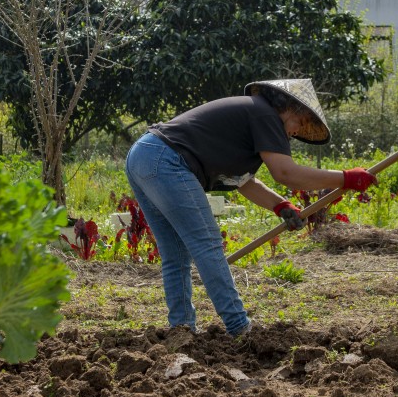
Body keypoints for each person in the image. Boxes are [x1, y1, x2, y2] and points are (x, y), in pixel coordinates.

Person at [124, 78, 377, 336]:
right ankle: (239, 328)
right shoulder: (265, 114)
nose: (294, 133)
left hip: (144, 155)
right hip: (166, 159)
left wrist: (280, 206)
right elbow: (286, 173)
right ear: (290, 109)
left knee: (176, 253)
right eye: (298, 124)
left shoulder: (252, 117)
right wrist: (346, 178)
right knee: (207, 242)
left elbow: (243, 182)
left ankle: (181, 329)